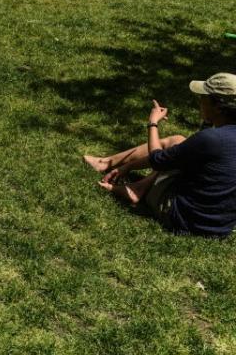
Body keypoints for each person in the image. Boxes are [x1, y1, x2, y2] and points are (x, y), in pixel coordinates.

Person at [87, 74, 236, 238]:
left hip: (184, 219)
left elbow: (158, 160)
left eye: (204, 98)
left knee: (175, 143)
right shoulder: (216, 137)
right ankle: (136, 186)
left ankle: (108, 165)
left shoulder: (210, 139)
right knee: (181, 149)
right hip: (221, 227)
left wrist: (153, 122)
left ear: (218, 107)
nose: (200, 101)